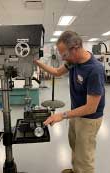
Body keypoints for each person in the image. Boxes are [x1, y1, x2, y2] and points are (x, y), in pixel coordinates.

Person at [34, 31, 105, 173]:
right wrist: (35, 62)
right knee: (75, 146)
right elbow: (56, 72)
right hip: (75, 114)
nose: (62, 58)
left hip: (89, 119)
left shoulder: (94, 70)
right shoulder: (73, 62)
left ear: (76, 47)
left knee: (84, 157)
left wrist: (62, 115)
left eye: (64, 55)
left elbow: (91, 108)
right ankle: (76, 170)